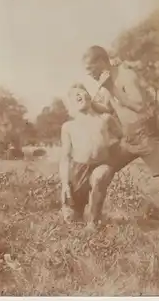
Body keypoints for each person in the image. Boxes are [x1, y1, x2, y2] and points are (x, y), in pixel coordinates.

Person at [82, 45, 159, 224]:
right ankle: (92, 224)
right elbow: (107, 108)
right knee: (100, 175)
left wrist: (111, 88)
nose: (89, 74)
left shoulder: (125, 75)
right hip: (128, 139)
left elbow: (140, 106)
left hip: (147, 137)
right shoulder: (105, 81)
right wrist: (87, 103)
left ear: (101, 61)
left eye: (90, 69)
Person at [59, 83, 123, 230]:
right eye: (76, 96)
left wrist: (111, 153)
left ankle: (93, 222)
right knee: (72, 220)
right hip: (78, 170)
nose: (80, 96)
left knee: (101, 176)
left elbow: (122, 138)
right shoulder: (69, 126)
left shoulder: (105, 119)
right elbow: (65, 157)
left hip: (101, 164)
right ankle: (76, 211)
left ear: (90, 97)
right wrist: (64, 184)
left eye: (82, 93)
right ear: (71, 104)